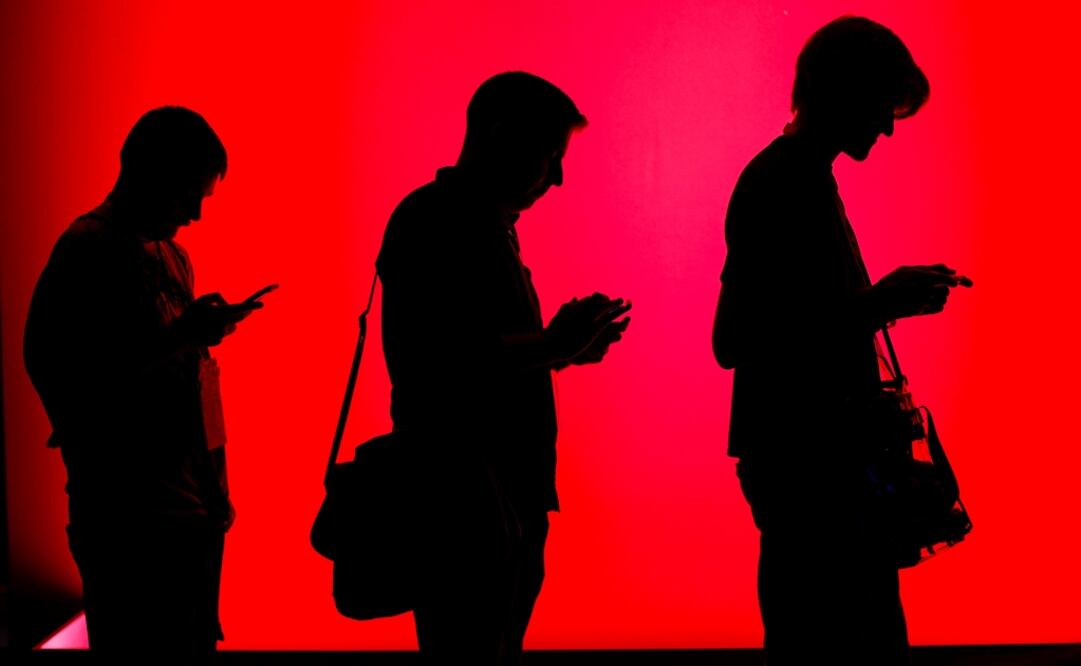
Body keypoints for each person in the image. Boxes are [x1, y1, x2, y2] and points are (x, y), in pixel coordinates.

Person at [712, 17, 970, 665]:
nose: (885, 127)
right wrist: (878, 303)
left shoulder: (796, 178)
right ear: (840, 91)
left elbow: (766, 325)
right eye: (881, 106)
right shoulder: (783, 183)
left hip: (819, 466)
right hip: (811, 469)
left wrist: (876, 304)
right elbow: (735, 337)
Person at [376, 71, 631, 664]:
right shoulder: (440, 222)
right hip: (465, 495)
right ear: (501, 137)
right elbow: (443, 360)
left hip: (491, 492)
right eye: (549, 155)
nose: (558, 176)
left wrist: (561, 348)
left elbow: (464, 354)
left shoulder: (467, 224)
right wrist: (553, 346)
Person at [24, 106, 264, 659]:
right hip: (130, 522)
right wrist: (178, 339)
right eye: (189, 195)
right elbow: (63, 374)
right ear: (149, 173)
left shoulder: (172, 255)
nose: (196, 215)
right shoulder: (87, 251)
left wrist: (216, 490)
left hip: (190, 514)